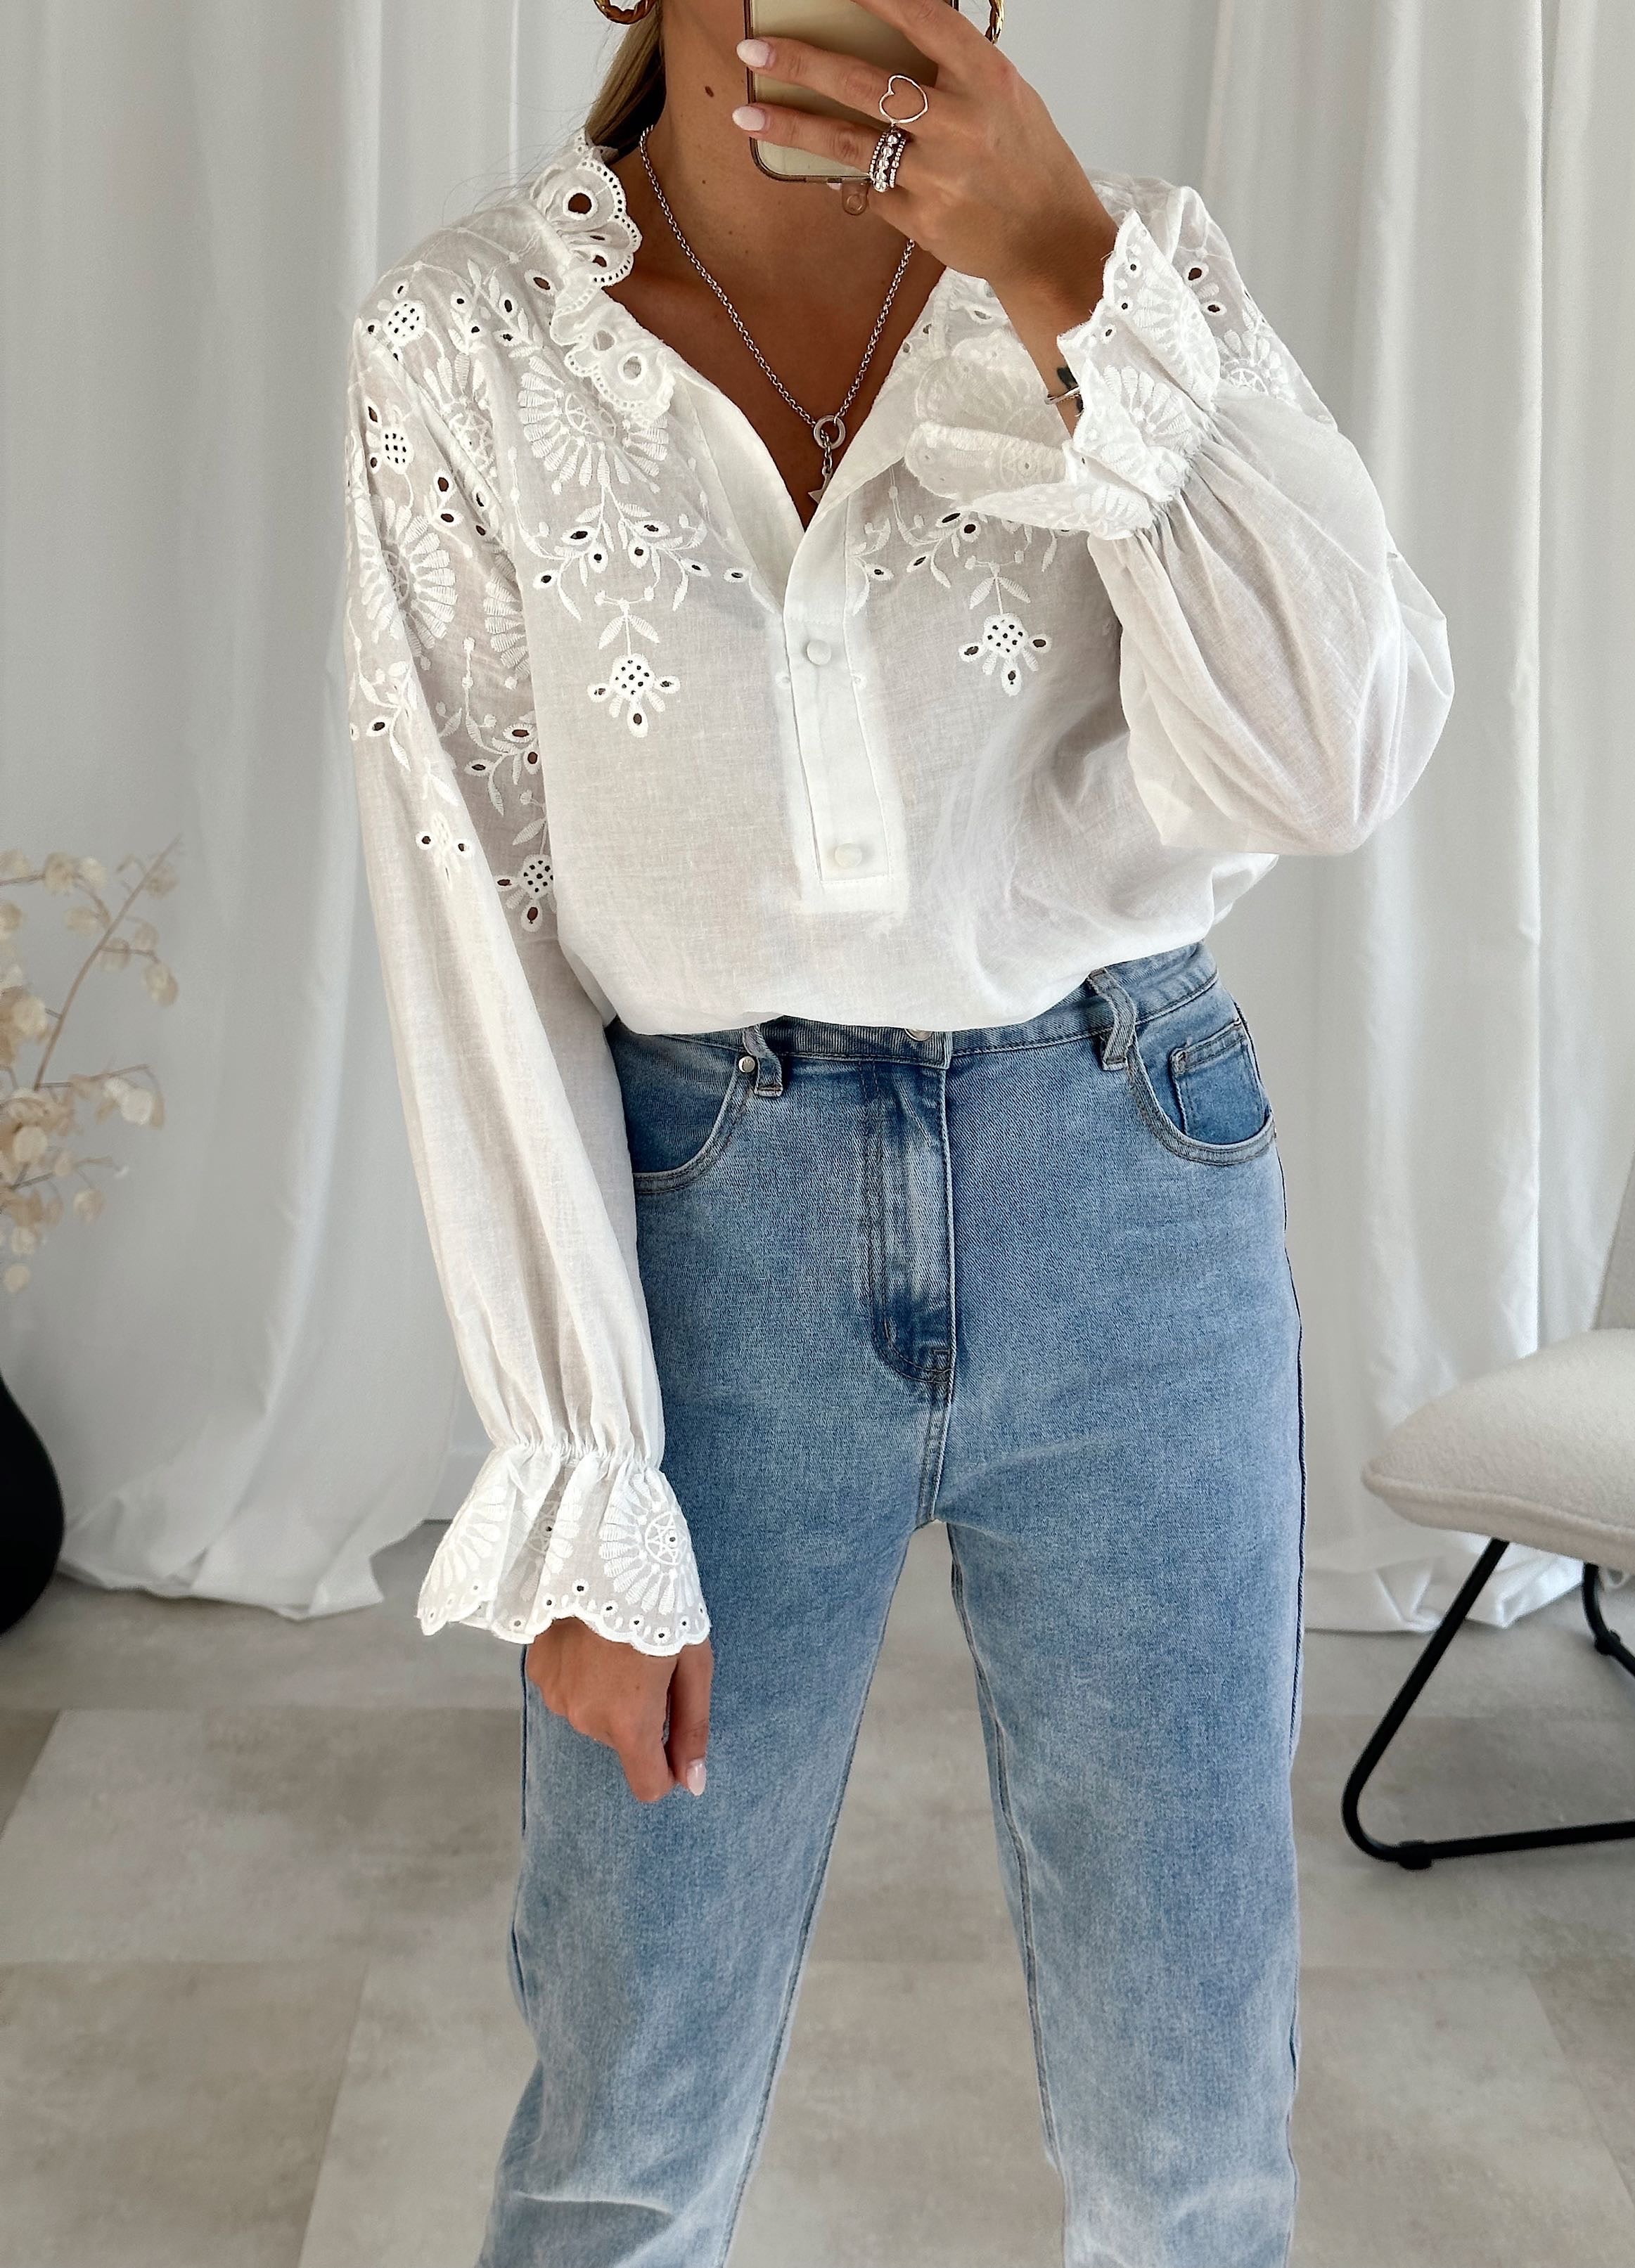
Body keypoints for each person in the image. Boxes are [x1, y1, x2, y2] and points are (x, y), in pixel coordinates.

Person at [340, 0, 1452, 2260]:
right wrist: (576, 1474)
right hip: (706, 1235)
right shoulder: (468, 346)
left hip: (1126, 1176)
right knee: (628, 2114)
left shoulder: (1120, 276)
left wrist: (1065, 274)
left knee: (1189, 2136)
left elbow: (1334, 759)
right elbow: (473, 916)